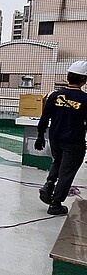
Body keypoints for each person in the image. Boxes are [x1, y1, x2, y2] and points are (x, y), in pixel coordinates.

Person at [35, 61, 87, 215]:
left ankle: (49, 185)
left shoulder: (55, 95)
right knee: (67, 172)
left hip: (55, 138)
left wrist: (40, 136)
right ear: (84, 80)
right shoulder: (85, 100)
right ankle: (55, 204)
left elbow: (45, 117)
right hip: (74, 142)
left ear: (68, 77)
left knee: (57, 162)